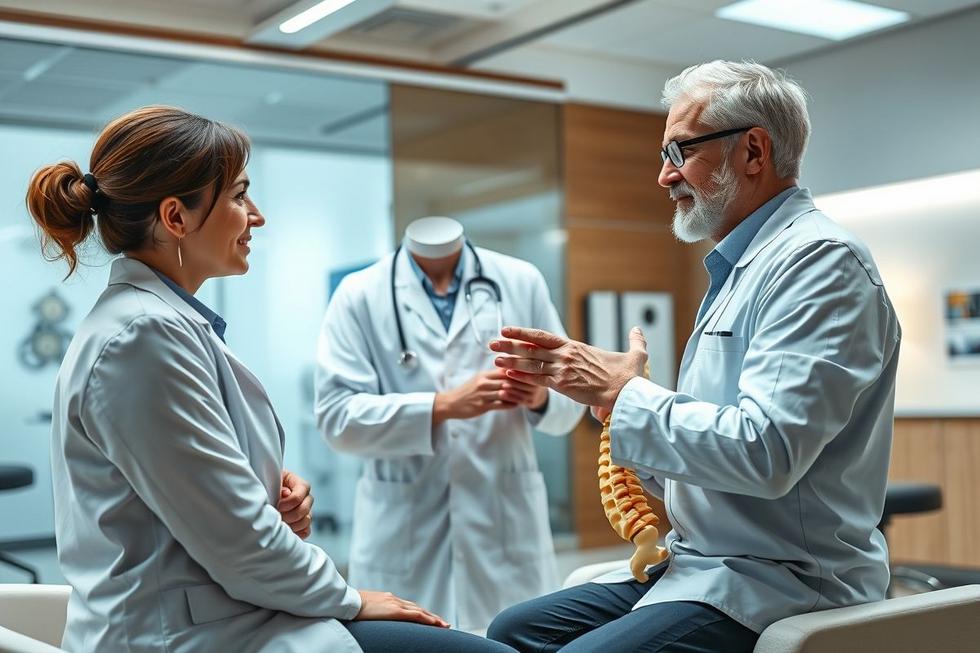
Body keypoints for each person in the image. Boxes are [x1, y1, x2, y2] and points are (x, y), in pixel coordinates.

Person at [27, 106, 513, 653]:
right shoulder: (142, 338)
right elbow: (238, 544)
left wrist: (264, 482)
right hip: (187, 635)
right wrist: (351, 597)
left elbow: (192, 491)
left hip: (224, 613)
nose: (255, 216)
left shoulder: (159, 325)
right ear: (175, 217)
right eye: (238, 196)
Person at [485, 60, 901, 653]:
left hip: (785, 579)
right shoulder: (736, 272)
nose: (663, 176)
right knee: (512, 631)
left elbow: (766, 452)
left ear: (753, 151)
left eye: (679, 151)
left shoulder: (819, 263)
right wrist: (613, 407)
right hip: (704, 563)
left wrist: (625, 395)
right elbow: (713, 461)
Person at [315, 216, 585, 631]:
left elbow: (573, 403)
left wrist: (538, 397)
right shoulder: (360, 294)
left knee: (512, 639)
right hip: (404, 538)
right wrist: (441, 405)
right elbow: (336, 419)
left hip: (505, 533)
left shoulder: (519, 280)